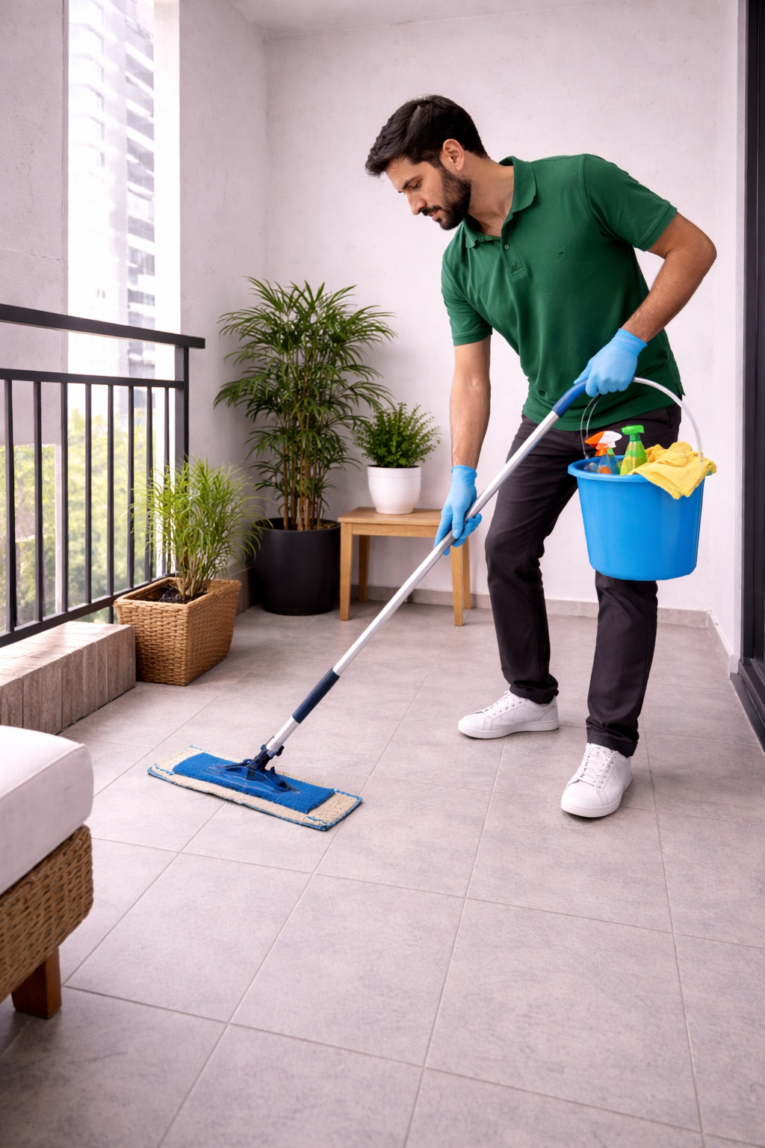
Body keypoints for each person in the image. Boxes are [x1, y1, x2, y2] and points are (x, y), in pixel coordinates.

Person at [365, 95, 716, 818]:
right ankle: (529, 696)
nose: (412, 206)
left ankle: (610, 744)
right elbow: (470, 376)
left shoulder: (580, 182)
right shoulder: (458, 262)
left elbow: (693, 248)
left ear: (452, 156)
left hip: (630, 407)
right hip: (550, 414)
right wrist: (462, 473)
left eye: (413, 186)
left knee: (620, 572)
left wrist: (631, 335)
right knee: (505, 548)